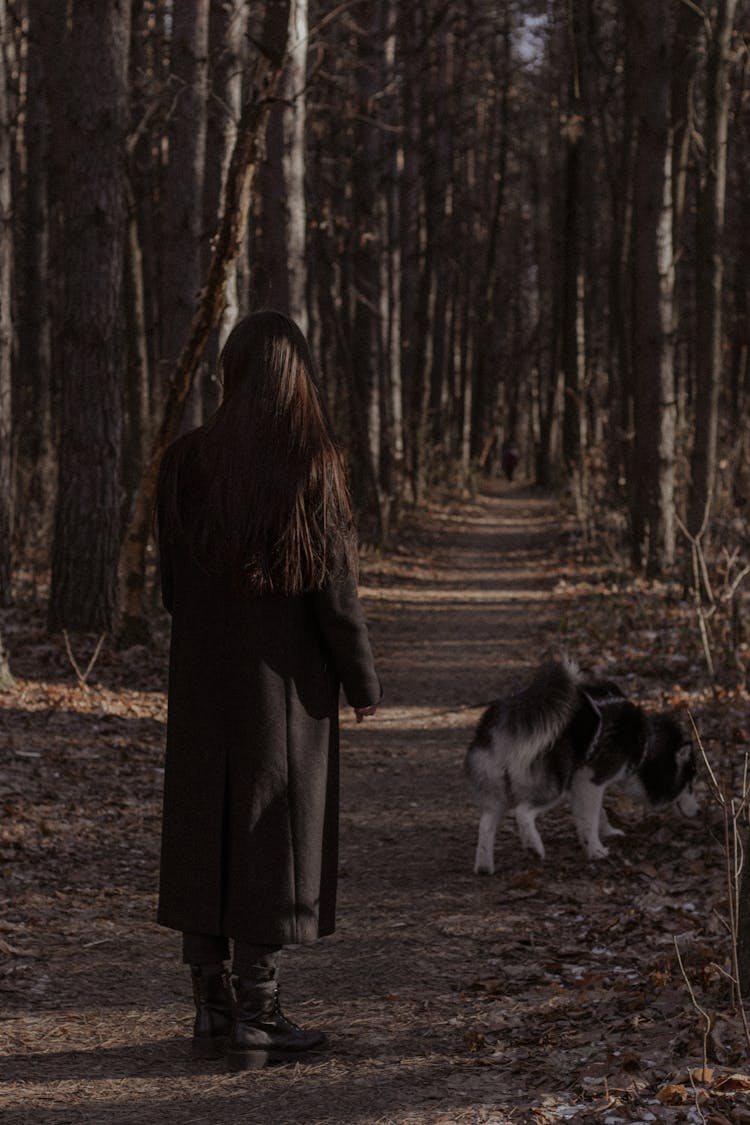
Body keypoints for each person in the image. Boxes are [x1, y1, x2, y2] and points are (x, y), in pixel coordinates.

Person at [156, 310, 382, 1072]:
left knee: (203, 826)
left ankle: (210, 1004)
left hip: (199, 681)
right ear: (298, 379)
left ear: (233, 374)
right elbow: (335, 597)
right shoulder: (309, 466)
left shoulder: (184, 462)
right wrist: (361, 683)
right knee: (267, 834)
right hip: (282, 689)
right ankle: (257, 1010)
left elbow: (169, 588)